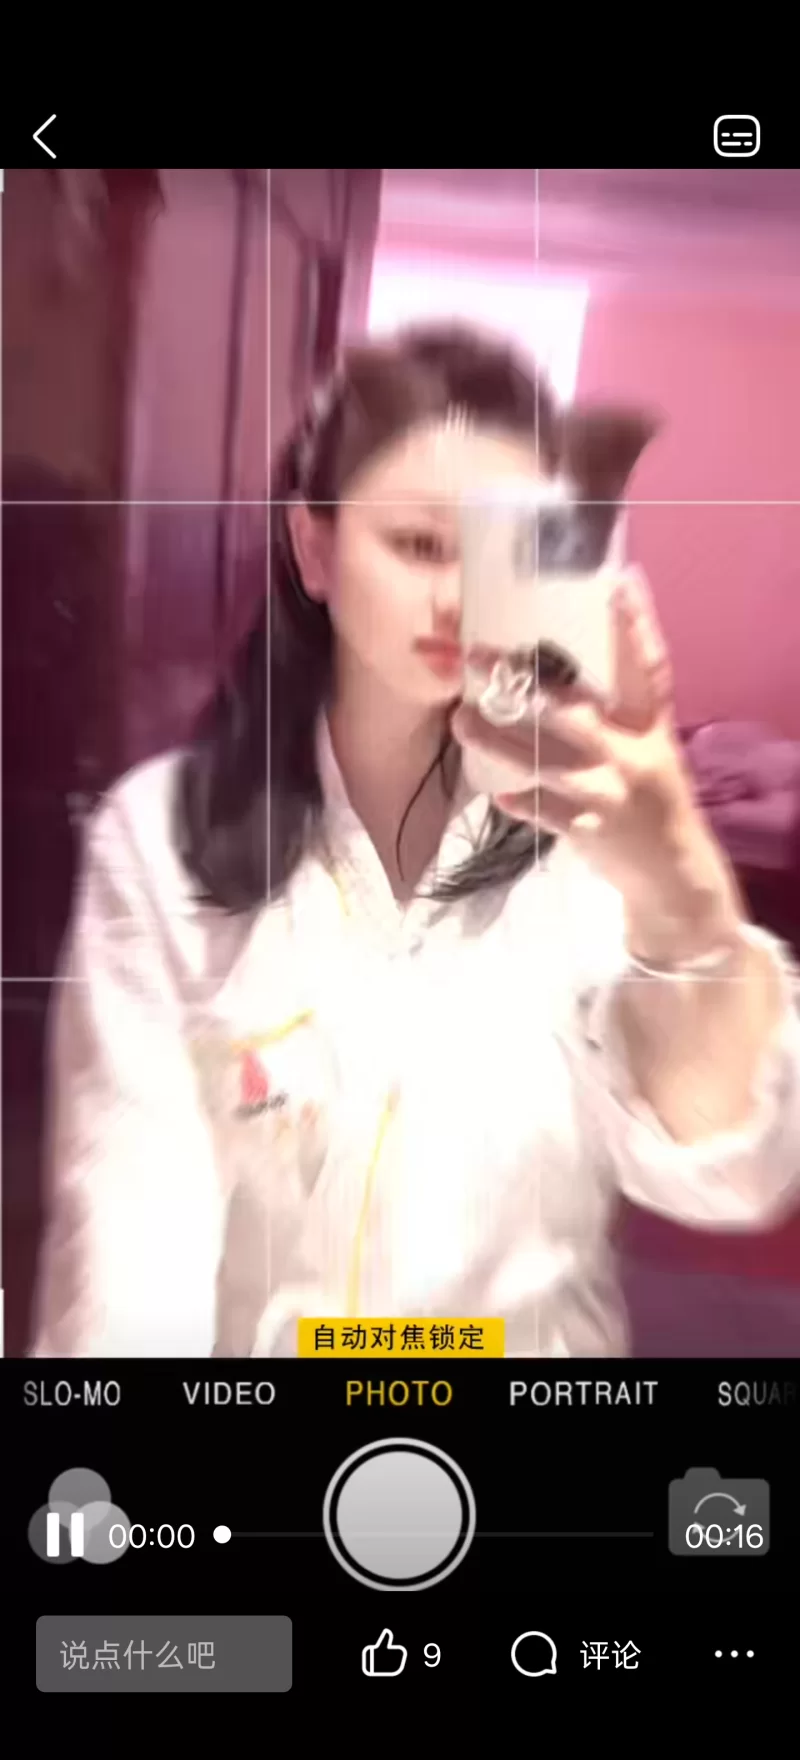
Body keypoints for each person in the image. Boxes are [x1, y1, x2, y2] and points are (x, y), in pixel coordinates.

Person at [32, 323, 800, 1358]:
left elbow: (727, 1173)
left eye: (502, 550)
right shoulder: (161, 840)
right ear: (314, 548)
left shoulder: (589, 838)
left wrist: (679, 891)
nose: (459, 595)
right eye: (419, 545)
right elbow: (126, 1271)